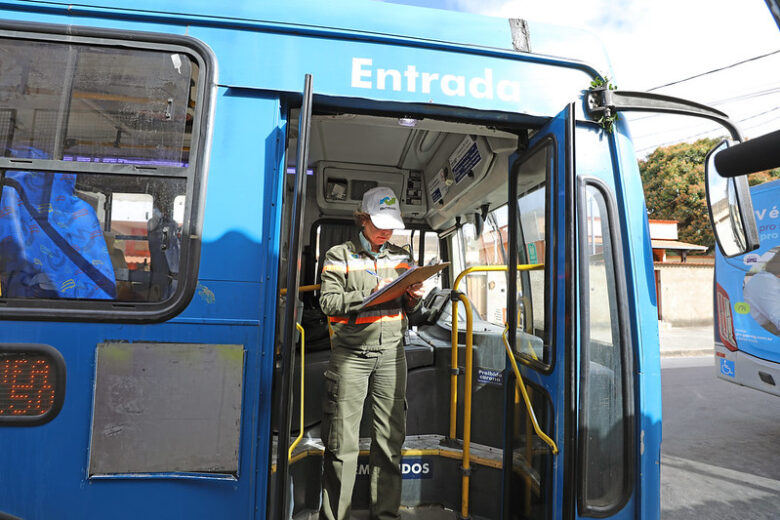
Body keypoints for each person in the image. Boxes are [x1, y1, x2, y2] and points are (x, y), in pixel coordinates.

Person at [318, 187, 424, 520]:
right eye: (379, 223)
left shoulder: (400, 256)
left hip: (392, 356)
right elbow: (328, 303)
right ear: (363, 218)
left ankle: (387, 516)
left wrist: (412, 296)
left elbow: (410, 309)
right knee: (341, 446)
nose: (385, 231)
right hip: (351, 356)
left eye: (391, 225)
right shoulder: (339, 255)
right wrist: (371, 297)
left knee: (390, 444)